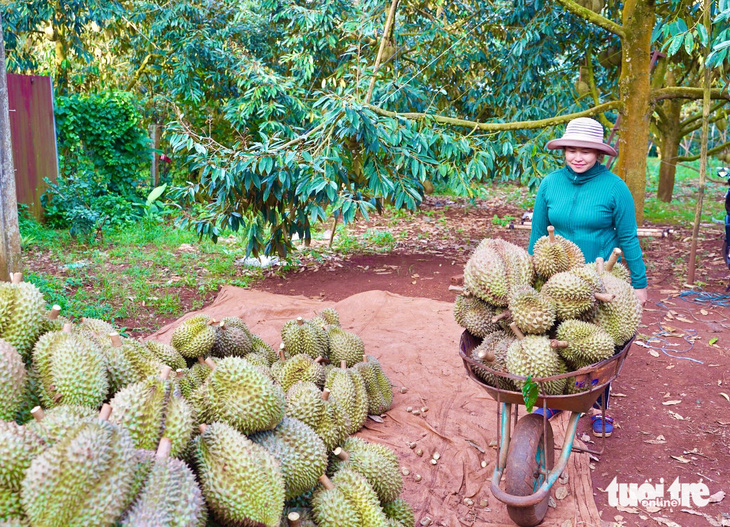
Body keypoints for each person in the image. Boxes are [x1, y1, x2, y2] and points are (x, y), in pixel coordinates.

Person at [527, 117, 648, 437]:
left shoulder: (615, 188)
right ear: (563, 150)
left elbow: (629, 238)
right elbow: (538, 235)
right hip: (557, 278)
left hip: (602, 279)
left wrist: (639, 284)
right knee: (553, 338)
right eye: (572, 150)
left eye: (586, 151)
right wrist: (529, 275)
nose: (577, 157)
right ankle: (555, 396)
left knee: (599, 344)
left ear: (599, 153)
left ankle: (596, 403)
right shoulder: (550, 184)